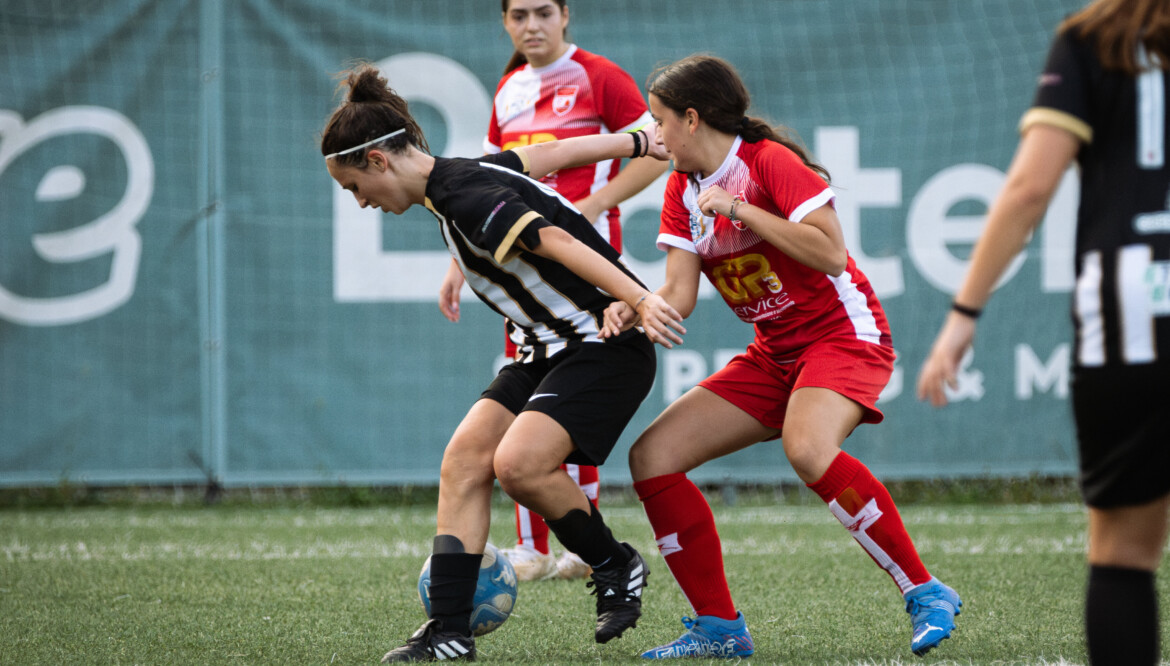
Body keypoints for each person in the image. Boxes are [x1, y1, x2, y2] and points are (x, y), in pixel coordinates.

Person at [598, 54, 962, 659]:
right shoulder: (679, 189)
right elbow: (680, 293)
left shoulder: (769, 163)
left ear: (691, 119)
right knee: (653, 458)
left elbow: (831, 255)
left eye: (659, 121)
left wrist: (740, 209)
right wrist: (635, 306)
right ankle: (719, 629)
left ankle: (925, 591)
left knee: (807, 448)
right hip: (775, 353)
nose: (653, 136)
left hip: (843, 335)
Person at [321, 64, 683, 662]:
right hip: (545, 347)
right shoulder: (460, 177)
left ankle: (616, 564)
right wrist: (635, 142)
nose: (360, 202)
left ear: (379, 162)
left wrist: (639, 299)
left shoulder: (465, 196)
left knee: (518, 464)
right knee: (464, 460)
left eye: (353, 187)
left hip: (602, 344)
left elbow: (558, 240)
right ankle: (449, 631)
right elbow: (545, 158)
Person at [917, 1, 1170, 663]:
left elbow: (1030, 188)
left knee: (1124, 552)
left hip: (1132, 313)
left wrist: (963, 315)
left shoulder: (1098, 38)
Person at [438, 0, 670, 583]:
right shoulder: (509, 88)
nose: (531, 25)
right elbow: (489, 176)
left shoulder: (599, 75)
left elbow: (656, 147)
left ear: (566, 15)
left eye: (543, 12)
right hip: (518, 261)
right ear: (505, 23)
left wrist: (592, 205)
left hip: (584, 262)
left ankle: (576, 547)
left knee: (570, 392)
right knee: (533, 383)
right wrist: (457, 265)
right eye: (518, 15)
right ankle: (530, 547)